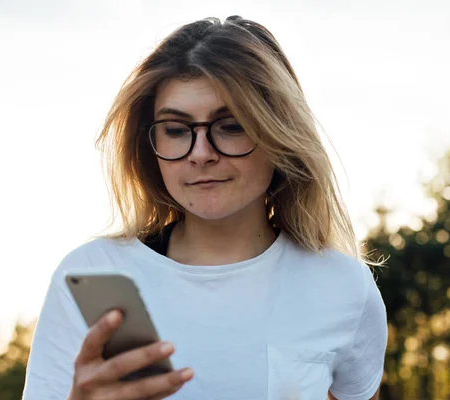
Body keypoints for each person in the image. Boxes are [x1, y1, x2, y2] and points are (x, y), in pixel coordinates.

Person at [22, 15, 388, 400]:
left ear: (278, 132)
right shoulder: (92, 273)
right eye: (176, 130)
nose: (200, 154)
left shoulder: (343, 285)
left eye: (230, 126)